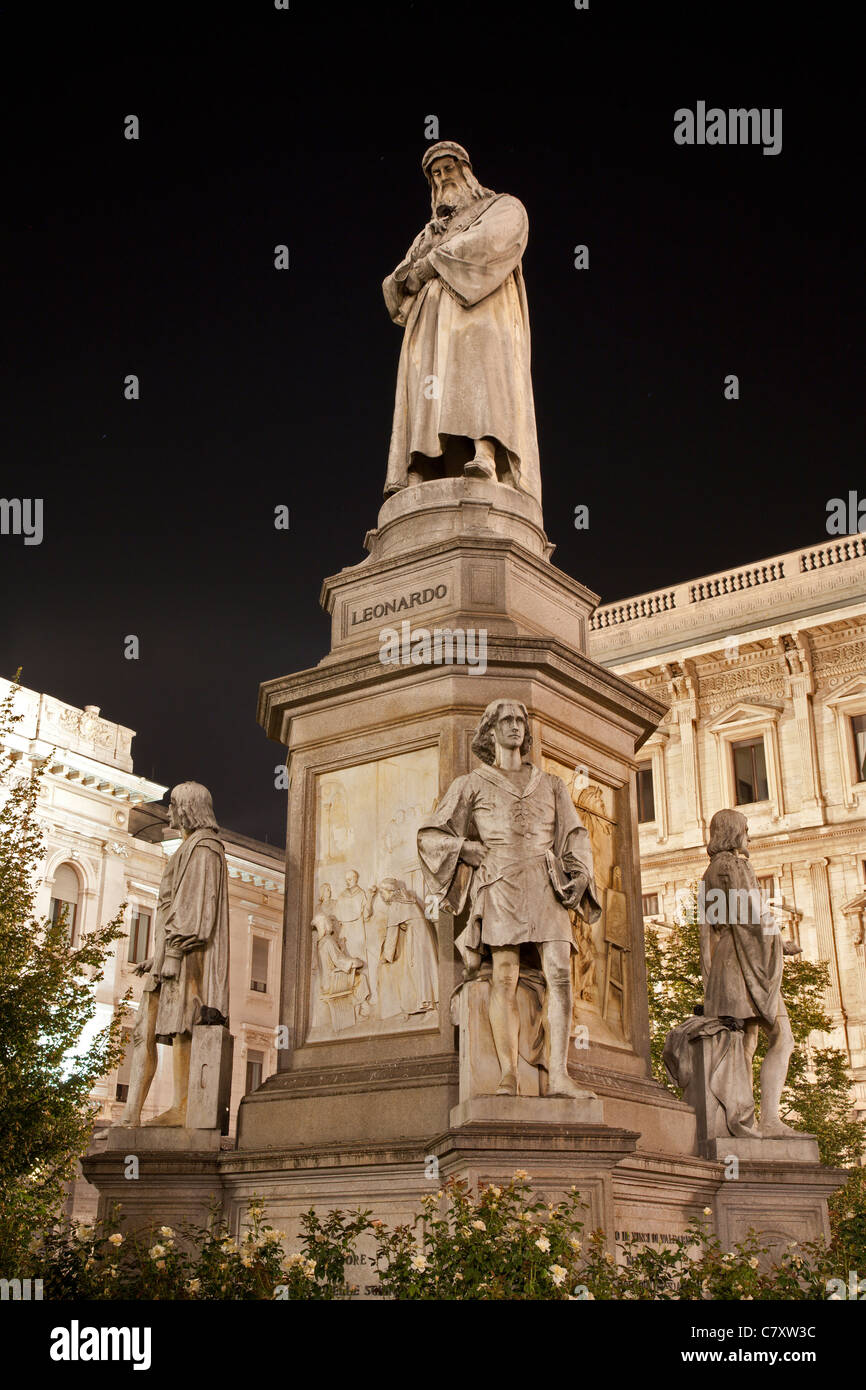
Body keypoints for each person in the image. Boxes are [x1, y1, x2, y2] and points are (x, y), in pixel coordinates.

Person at [418, 699, 601, 1098]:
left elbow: (574, 835)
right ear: (491, 730)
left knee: (561, 974)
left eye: (520, 720)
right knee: (504, 974)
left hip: (544, 880)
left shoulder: (551, 784)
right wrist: (466, 848)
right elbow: (431, 835)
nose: (515, 726)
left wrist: (582, 871)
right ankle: (507, 1074)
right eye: (506, 720)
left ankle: (560, 1075)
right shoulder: (471, 784)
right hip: (499, 880)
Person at [382, 142, 540, 504]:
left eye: (448, 170)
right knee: (427, 391)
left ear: (465, 171)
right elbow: (396, 285)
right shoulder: (428, 233)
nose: (442, 178)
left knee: (481, 378)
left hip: (481, 313)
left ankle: (485, 453)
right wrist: (409, 271)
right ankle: (418, 466)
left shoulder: (502, 206)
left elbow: (493, 241)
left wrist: (433, 263)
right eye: (435, 175)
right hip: (430, 327)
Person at [119, 782, 230, 1127]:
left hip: (185, 958)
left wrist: (174, 954)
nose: (168, 813)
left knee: (185, 1024)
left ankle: (183, 1106)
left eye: (172, 806)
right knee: (145, 1031)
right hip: (170, 956)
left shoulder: (204, 849)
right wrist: (158, 954)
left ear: (186, 809)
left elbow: (197, 913)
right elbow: (177, 908)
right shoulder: (189, 848)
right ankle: (132, 1116)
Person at [700, 808, 801, 1137]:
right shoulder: (735, 865)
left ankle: (739, 1120)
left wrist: (709, 981)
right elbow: (753, 915)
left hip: (725, 964)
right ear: (734, 832)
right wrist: (780, 943)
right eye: (746, 830)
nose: (750, 836)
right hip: (744, 963)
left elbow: (708, 932)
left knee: (745, 1042)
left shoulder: (710, 872)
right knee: (783, 1038)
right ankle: (769, 1119)